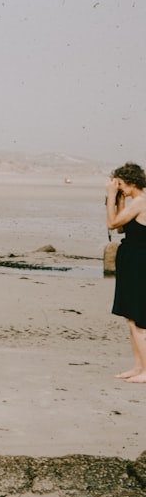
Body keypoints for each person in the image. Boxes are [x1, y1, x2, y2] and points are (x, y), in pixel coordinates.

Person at [106, 162, 146, 382]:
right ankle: (138, 367)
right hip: (133, 261)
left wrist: (111, 196)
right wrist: (119, 199)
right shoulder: (133, 202)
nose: (118, 187)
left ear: (131, 182)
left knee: (139, 319)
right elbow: (122, 227)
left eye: (120, 184)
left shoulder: (141, 202)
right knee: (131, 317)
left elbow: (112, 223)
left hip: (140, 262)